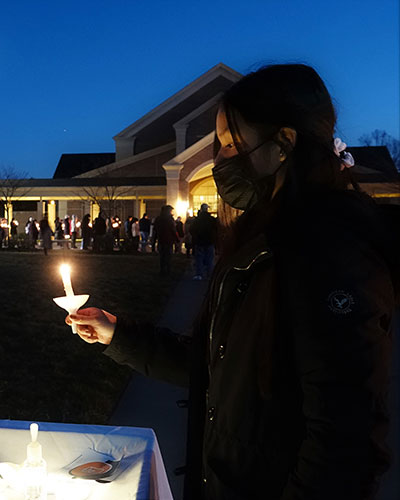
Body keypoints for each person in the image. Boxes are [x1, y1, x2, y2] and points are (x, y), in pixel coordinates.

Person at [66, 64, 400, 500]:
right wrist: (117, 334)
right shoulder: (262, 242)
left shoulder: (329, 253)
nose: (217, 159)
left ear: (283, 144)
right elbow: (217, 366)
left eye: (229, 145)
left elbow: (344, 443)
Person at [190, 204, 218, 279]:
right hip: (209, 241)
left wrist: (195, 237)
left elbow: (192, 230)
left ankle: (199, 274)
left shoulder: (197, 220)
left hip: (199, 241)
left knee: (199, 259)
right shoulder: (211, 219)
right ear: (207, 209)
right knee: (210, 259)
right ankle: (210, 274)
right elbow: (216, 229)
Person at [152, 205, 179, 275]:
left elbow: (155, 231)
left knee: (162, 256)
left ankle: (162, 270)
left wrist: (153, 241)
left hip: (161, 240)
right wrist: (177, 239)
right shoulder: (169, 219)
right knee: (168, 256)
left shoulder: (158, 219)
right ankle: (168, 270)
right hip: (168, 240)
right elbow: (173, 230)